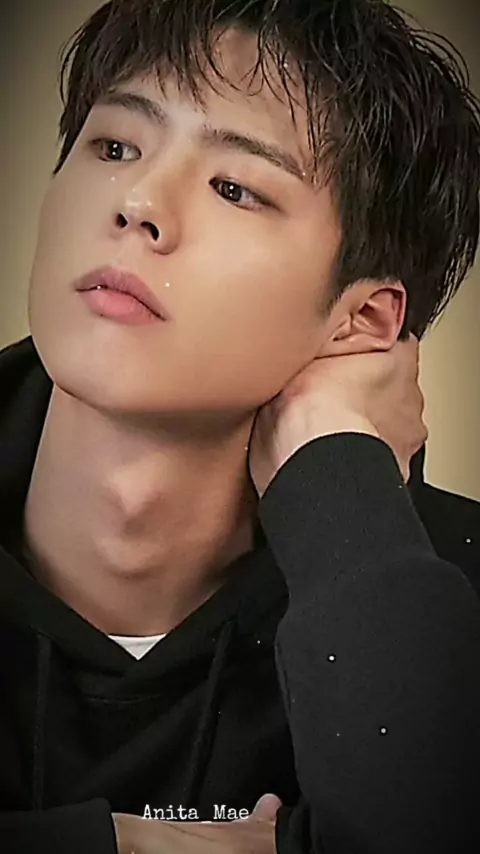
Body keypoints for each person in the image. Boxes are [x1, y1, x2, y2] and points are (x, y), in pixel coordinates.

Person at [1, 0, 480, 852]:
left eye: (235, 189)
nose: (138, 202)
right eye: (114, 147)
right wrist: (120, 845)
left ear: (361, 321)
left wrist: (337, 470)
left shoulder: (450, 594)